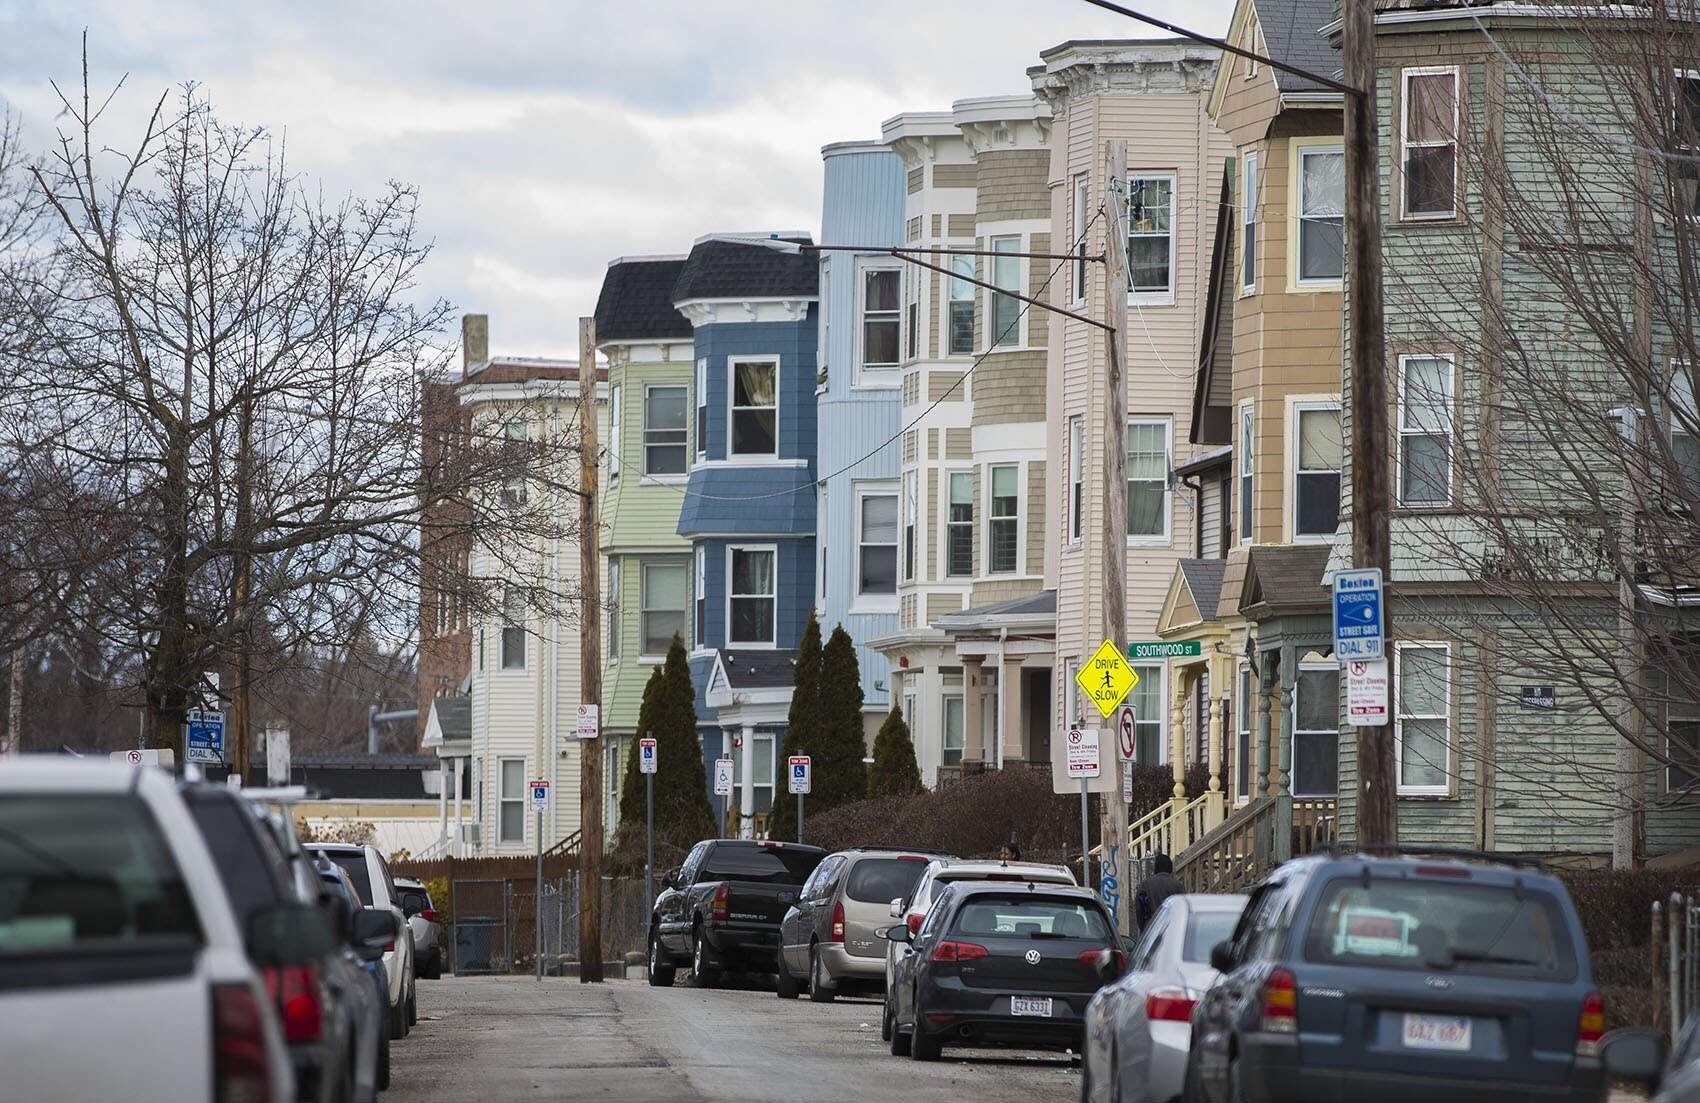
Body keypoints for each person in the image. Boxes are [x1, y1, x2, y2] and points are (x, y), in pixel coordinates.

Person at [1134, 852, 1184, 930]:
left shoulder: (1145, 885)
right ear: (1170, 868)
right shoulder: (1178, 885)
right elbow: (1183, 910)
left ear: (1155, 868)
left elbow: (1139, 910)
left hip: (1151, 930)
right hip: (1172, 929)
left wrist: (1144, 929)